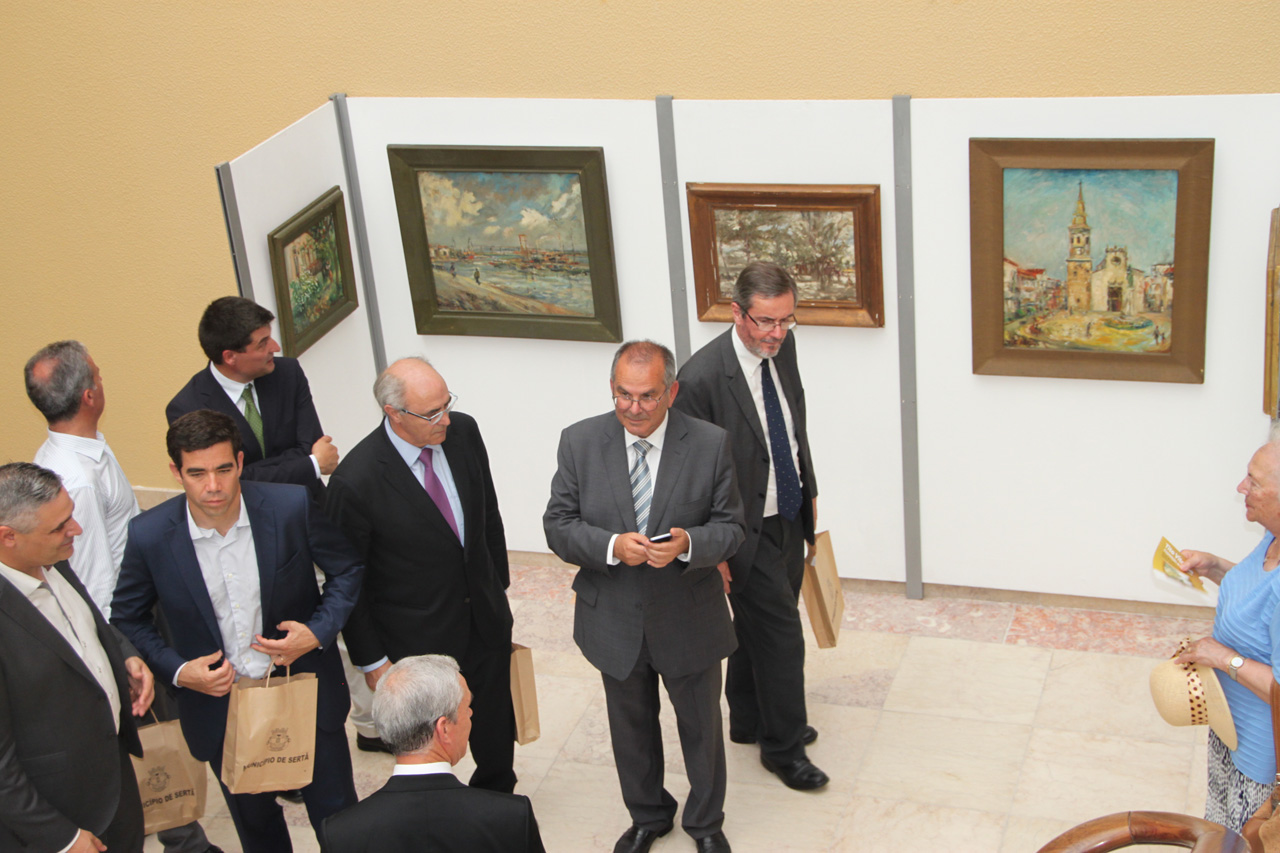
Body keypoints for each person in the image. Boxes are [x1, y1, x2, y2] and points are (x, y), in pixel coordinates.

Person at [111, 410, 363, 852]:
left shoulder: (290, 507)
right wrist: (179, 671)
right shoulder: (149, 536)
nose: (213, 486)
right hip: (221, 710)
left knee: (339, 822)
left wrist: (316, 632)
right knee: (259, 833)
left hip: (304, 692)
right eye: (197, 473)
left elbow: (347, 570)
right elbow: (127, 618)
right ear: (176, 472)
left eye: (224, 469)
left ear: (241, 463)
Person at [544, 340, 744, 853]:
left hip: (689, 617)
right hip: (613, 618)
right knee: (630, 730)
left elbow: (731, 528)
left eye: (648, 396)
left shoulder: (710, 443)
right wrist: (611, 546)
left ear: (671, 392)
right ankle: (648, 815)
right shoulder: (579, 441)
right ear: (612, 389)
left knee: (701, 729)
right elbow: (558, 526)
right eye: (623, 395)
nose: (634, 408)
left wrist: (688, 544)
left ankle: (706, 824)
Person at [25, 340, 221, 853]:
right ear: (89, 396)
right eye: (98, 373)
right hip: (125, 621)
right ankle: (186, 841)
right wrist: (125, 652)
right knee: (156, 738)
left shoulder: (83, 449)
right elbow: (87, 582)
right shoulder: (77, 482)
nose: (103, 379)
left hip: (135, 608)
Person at [326, 356, 517, 792]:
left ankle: (498, 796)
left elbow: (487, 513)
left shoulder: (463, 432)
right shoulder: (356, 481)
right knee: (426, 749)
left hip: (484, 620)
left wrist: (497, 589)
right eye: (432, 413)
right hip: (416, 640)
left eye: (447, 404)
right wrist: (373, 661)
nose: (445, 419)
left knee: (493, 725)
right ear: (393, 413)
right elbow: (348, 584)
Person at [672, 261, 829, 791]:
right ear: (737, 313)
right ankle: (784, 748)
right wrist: (711, 550)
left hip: (788, 512)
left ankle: (746, 718)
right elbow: (690, 475)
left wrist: (808, 491)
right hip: (742, 530)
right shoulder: (699, 378)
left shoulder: (782, 347)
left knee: (758, 627)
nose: (777, 333)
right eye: (765, 321)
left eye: (786, 320)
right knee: (782, 636)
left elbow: (794, 423)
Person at [0, 462, 155, 853]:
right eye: (59, 527)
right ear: (8, 537)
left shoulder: (54, 559)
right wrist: (61, 838)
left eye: (70, 516)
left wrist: (123, 656)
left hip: (115, 785)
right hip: (60, 817)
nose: (77, 530)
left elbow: (87, 626)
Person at [319, 655, 546, 853]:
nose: (471, 715)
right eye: (466, 708)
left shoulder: (340, 833)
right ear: (444, 729)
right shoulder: (512, 817)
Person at [1176, 439, 1280, 833]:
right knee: (1217, 833)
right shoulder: (1273, 536)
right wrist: (1217, 568)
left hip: (1258, 759)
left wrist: (1222, 658)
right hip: (1231, 729)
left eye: (1254, 482)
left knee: (1237, 841)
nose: (1241, 487)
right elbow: (1261, 602)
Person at [166, 296, 339, 502]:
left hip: (308, 502)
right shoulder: (188, 407)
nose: (275, 347)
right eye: (262, 344)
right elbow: (229, 480)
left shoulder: (288, 373)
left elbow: (311, 446)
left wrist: (251, 471)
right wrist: (311, 465)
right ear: (230, 357)